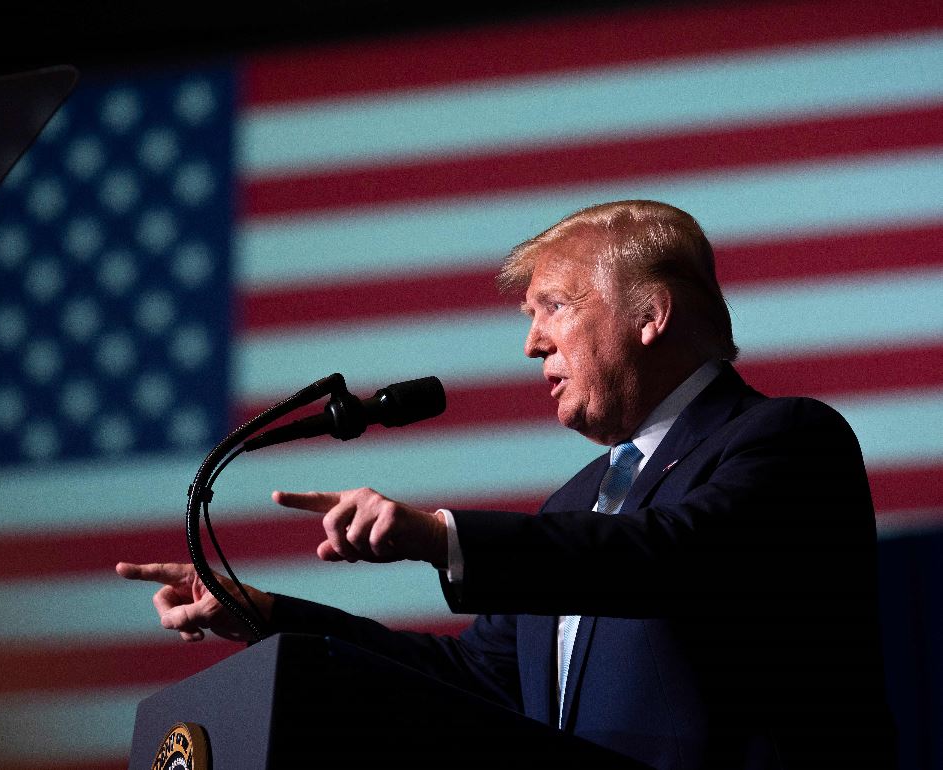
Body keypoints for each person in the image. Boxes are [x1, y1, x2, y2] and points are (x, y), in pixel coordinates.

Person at [118, 200, 895, 769]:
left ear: (650, 315)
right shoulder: (577, 500)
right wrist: (268, 616)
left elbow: (673, 556)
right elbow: (474, 679)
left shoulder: (786, 439)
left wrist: (441, 536)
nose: (530, 343)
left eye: (553, 306)